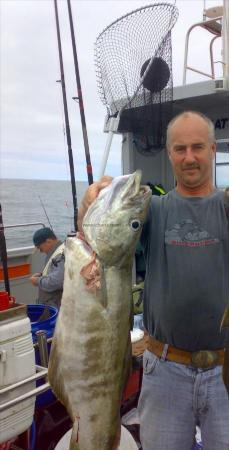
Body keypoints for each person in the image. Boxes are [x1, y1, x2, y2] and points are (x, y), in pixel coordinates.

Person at [77, 111, 229, 450]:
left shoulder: (226, 205)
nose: (189, 157)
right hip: (164, 371)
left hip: (225, 372)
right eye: (180, 149)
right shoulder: (152, 209)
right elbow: (96, 237)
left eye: (197, 147)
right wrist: (90, 203)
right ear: (170, 153)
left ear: (213, 149)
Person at [30, 227, 65, 308]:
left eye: (40, 248)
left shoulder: (60, 254)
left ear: (49, 241)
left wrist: (38, 281)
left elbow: (58, 281)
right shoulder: (56, 252)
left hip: (56, 307)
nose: (40, 251)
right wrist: (42, 275)